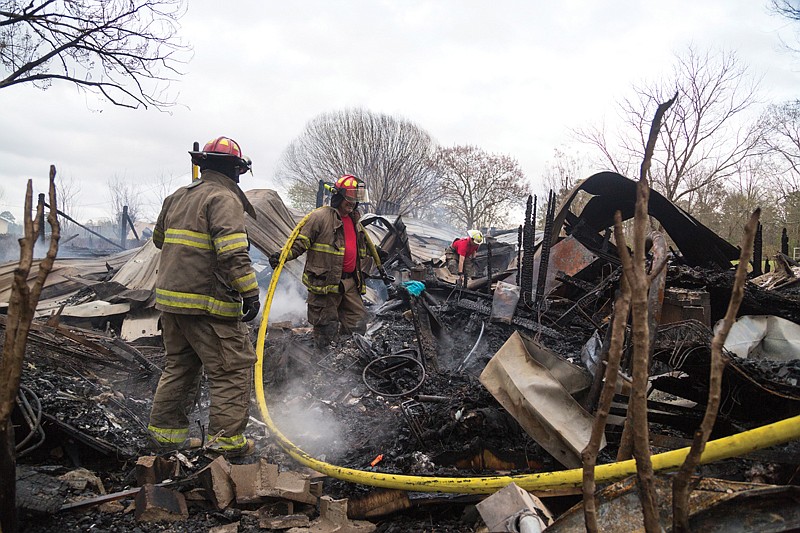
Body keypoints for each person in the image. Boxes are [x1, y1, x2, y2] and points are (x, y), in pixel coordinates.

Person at [147, 136, 259, 457]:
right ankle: (225, 448)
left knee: (180, 367)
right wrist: (249, 293)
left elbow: (159, 241)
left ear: (203, 163)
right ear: (236, 170)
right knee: (232, 370)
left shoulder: (176, 197)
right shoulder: (224, 199)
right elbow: (233, 253)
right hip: (207, 303)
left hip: (172, 303)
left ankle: (165, 440)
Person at [269, 174, 388, 350]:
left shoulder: (355, 219)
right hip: (325, 283)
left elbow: (361, 242)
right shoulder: (320, 217)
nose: (352, 204)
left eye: (355, 201)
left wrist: (376, 253)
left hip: (350, 282)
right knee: (325, 325)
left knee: (357, 321)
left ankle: (346, 356)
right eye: (349, 199)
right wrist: (282, 256)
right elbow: (301, 242)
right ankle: (321, 366)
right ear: (338, 196)